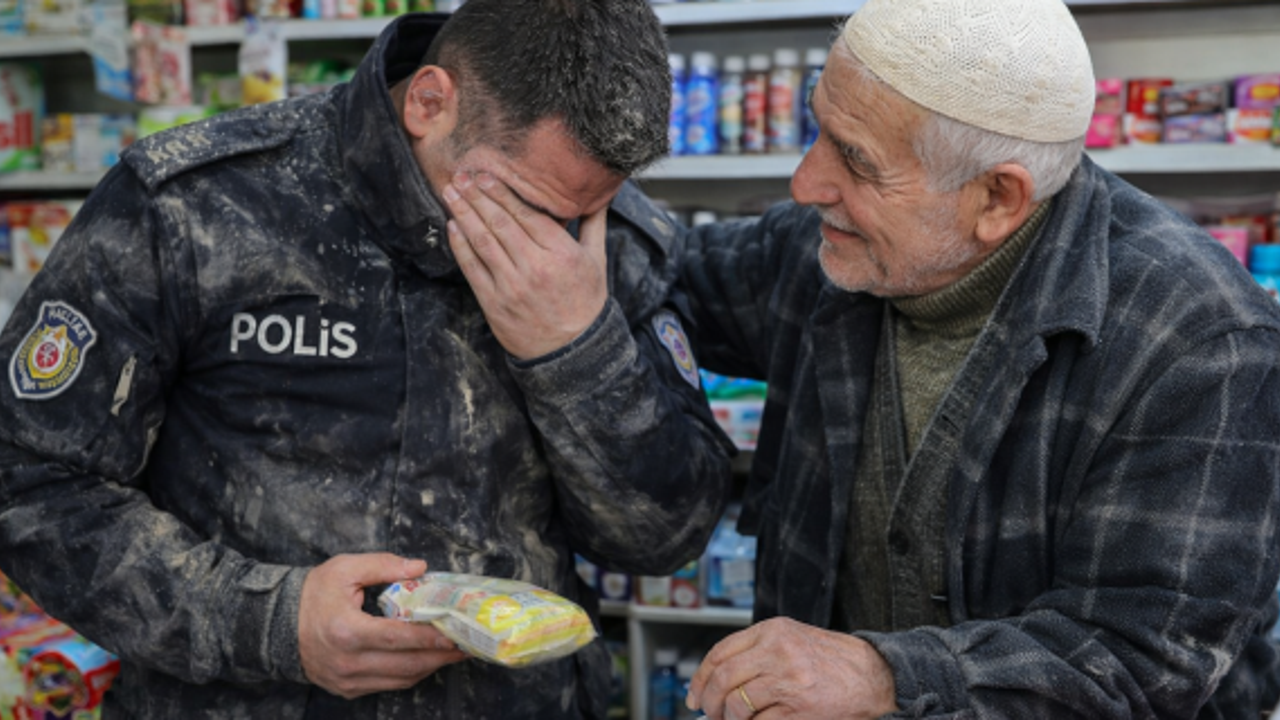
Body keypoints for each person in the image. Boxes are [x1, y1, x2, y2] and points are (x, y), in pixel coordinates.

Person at [0, 2, 733, 718]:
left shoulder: (615, 241)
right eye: (520, 201)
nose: (552, 241)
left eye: (586, 208)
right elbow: (28, 477)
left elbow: (665, 539)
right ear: (429, 102)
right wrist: (270, 623)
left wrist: (579, 351)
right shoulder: (196, 205)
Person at [669, 0, 1280, 717]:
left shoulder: (1199, 341)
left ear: (997, 197)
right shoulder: (824, 253)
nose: (806, 184)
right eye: (819, 129)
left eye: (856, 160)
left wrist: (884, 676)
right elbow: (666, 268)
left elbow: (1140, 659)